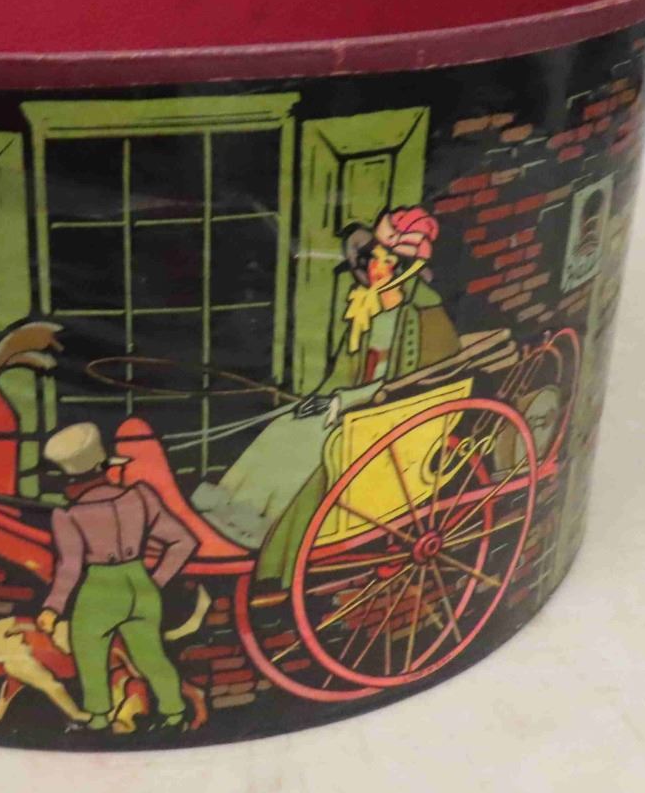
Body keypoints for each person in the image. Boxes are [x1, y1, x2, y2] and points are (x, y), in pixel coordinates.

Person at [193, 206, 461, 582]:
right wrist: (320, 398)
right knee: (286, 425)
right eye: (373, 258)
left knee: (312, 444)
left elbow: (413, 384)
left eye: (386, 261)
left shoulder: (425, 317)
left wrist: (342, 401)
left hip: (390, 418)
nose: (375, 267)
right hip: (354, 407)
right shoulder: (367, 306)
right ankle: (236, 507)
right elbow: (344, 370)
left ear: (405, 270)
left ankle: (269, 525)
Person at [36, 422, 198, 732]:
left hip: (99, 588)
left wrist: (52, 609)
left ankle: (98, 719)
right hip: (140, 582)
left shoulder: (68, 515)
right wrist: (155, 582)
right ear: (105, 465)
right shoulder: (140, 497)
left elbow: (70, 567)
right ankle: (175, 714)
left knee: (90, 652)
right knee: (151, 656)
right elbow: (184, 541)